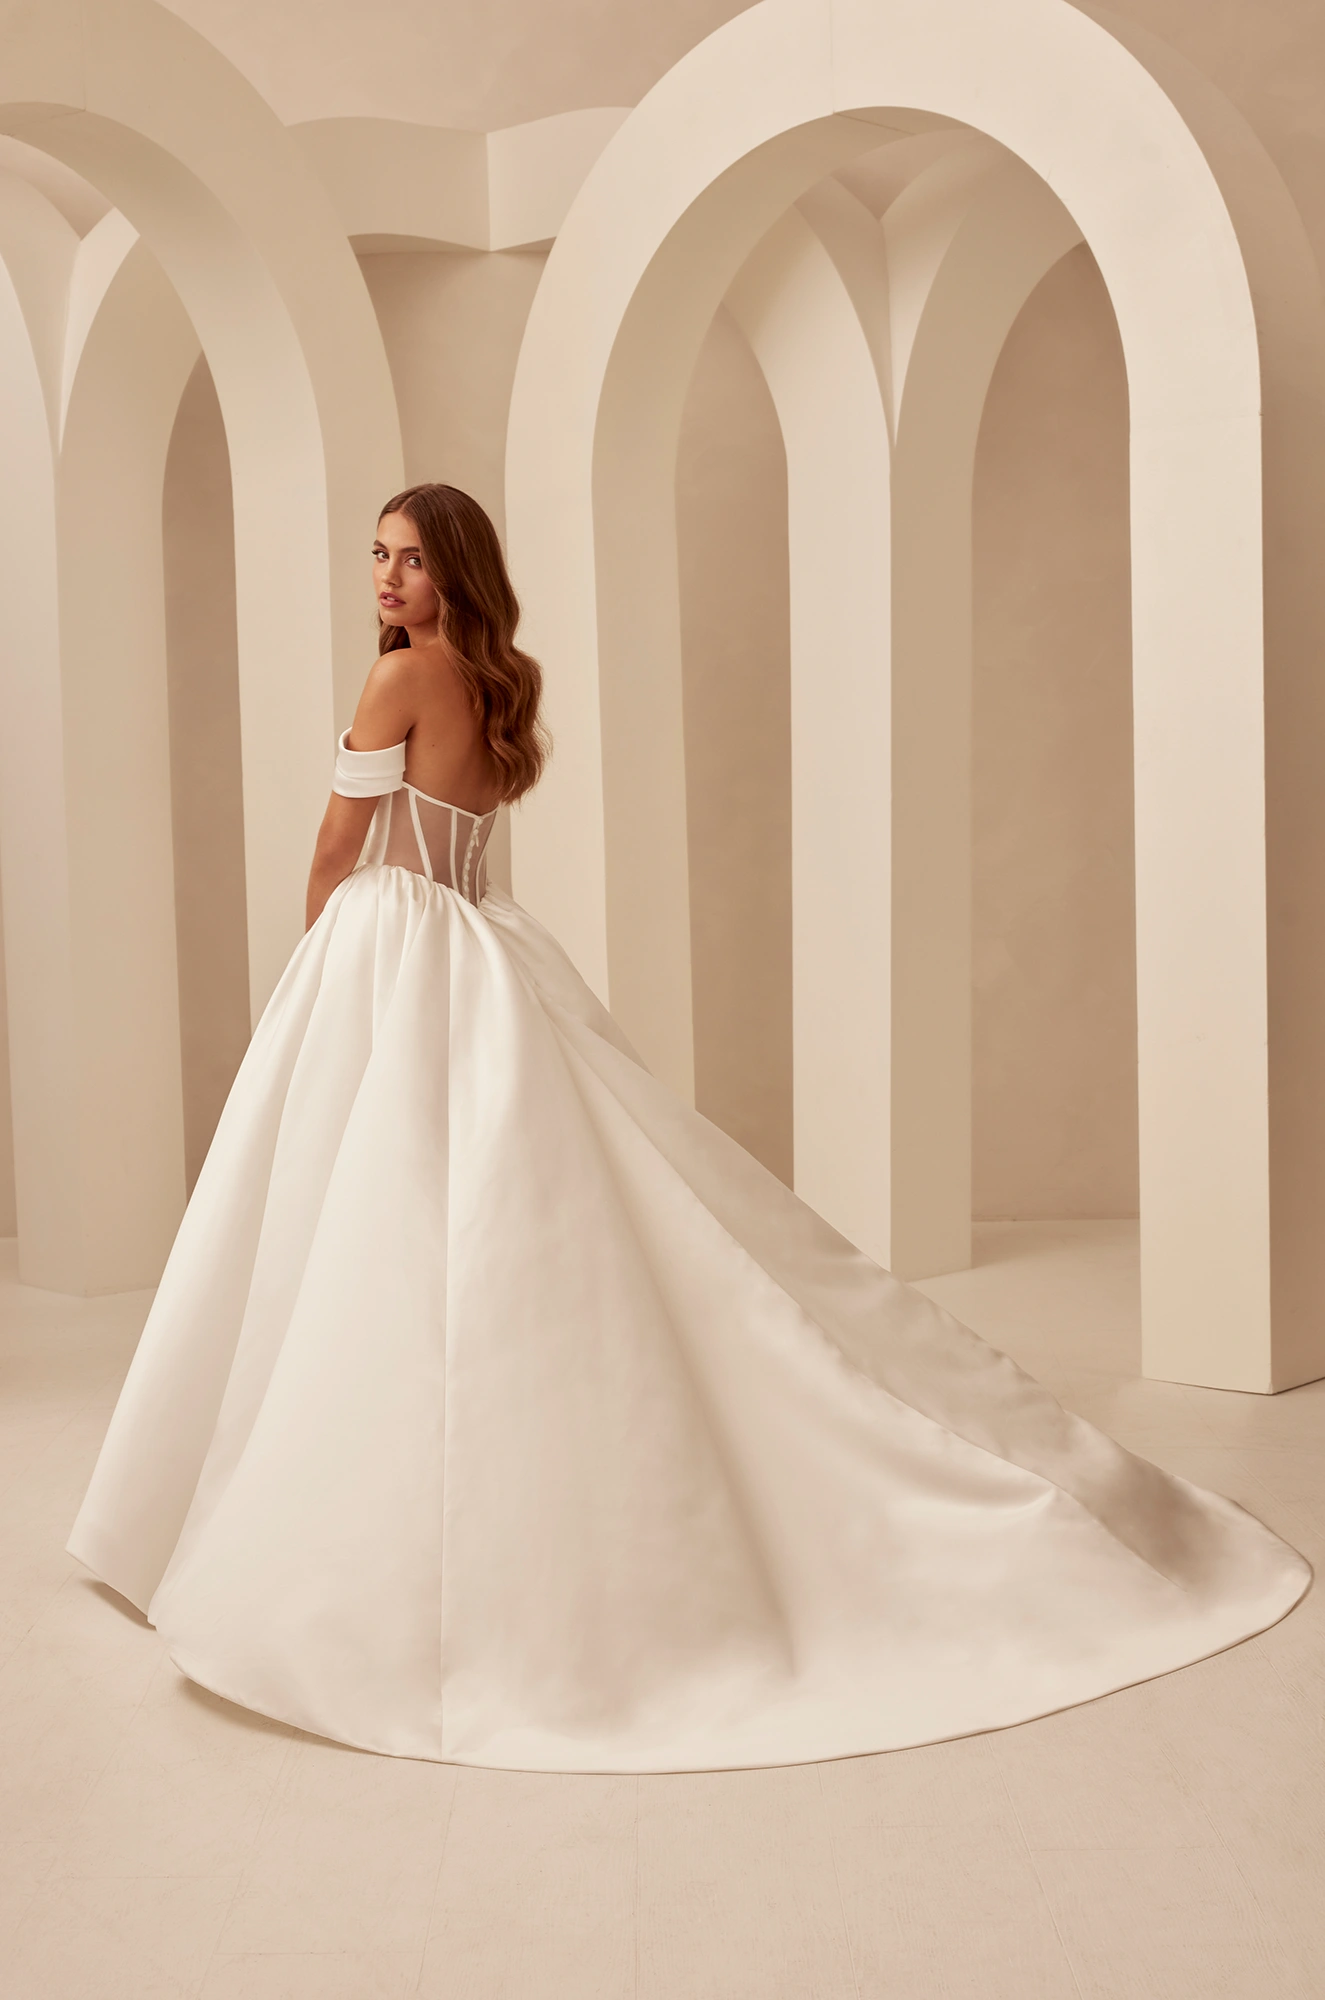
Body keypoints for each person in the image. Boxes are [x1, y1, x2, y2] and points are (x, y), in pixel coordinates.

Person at [68, 483, 1308, 1775]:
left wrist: (316, 956)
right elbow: (464, 846)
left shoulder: (399, 683)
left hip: (389, 945)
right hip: (481, 946)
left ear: (456, 576)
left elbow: (339, 842)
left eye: (412, 562)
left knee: (358, 1213)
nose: (386, 581)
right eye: (376, 558)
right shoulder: (497, 684)